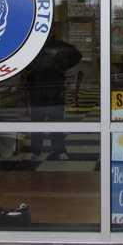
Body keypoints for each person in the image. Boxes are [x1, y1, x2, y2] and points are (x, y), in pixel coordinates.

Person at [25, 31, 82, 160]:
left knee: (41, 123)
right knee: (53, 123)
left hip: (44, 90)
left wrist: (62, 66)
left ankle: (37, 152)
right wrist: (62, 67)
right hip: (49, 90)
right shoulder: (52, 46)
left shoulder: (35, 46)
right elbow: (77, 55)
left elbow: (77, 55)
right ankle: (57, 151)